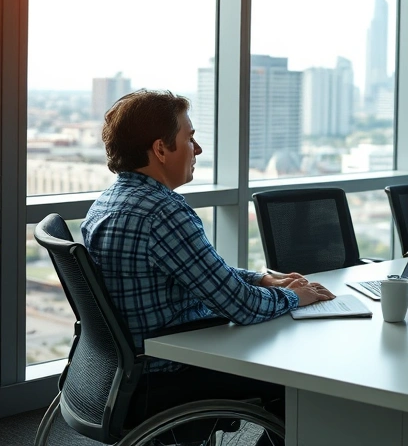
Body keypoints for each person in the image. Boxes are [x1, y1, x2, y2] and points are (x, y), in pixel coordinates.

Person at [81, 89, 334, 421]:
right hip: (170, 371)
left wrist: (260, 278)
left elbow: (202, 272)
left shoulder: (106, 203)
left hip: (119, 373)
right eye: (190, 138)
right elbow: (241, 307)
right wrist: (294, 297)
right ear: (160, 148)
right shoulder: (162, 213)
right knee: (303, 379)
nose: (197, 149)